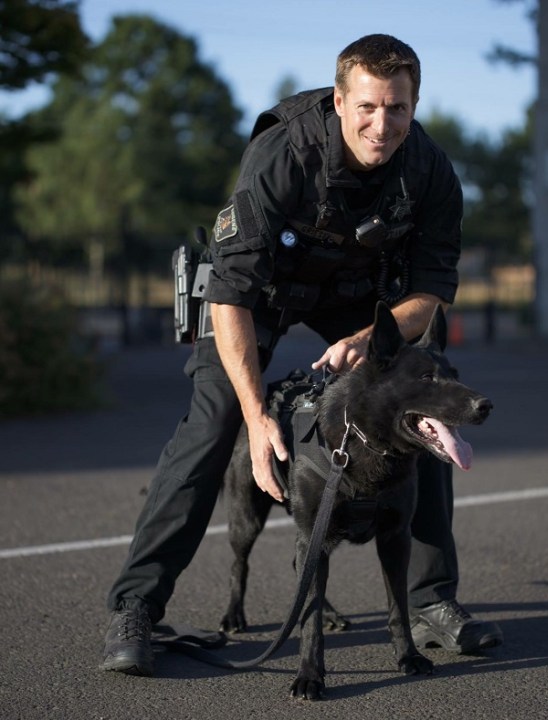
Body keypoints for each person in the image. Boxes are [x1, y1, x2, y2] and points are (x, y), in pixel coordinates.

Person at [101, 33, 503, 676]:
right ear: (339, 101)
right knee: (215, 421)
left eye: (397, 107)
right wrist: (260, 419)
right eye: (367, 106)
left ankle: (432, 606)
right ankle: (137, 609)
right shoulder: (282, 154)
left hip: (359, 299)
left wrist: (372, 340)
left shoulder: (430, 168)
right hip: (257, 294)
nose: (382, 123)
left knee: (420, 400)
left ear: (414, 104)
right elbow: (229, 294)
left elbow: (429, 293)